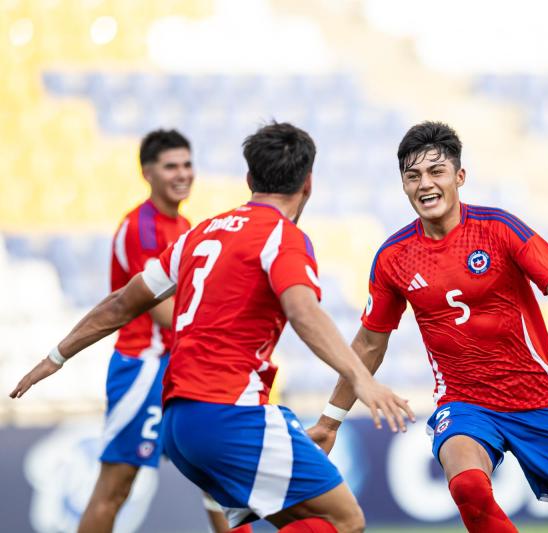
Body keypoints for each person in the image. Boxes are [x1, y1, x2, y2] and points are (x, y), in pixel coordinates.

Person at [11, 122, 414, 533]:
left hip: (179, 420)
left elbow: (121, 302)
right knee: (345, 519)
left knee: (295, 520)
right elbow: (303, 311)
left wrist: (56, 356)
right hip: (227, 413)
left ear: (249, 179)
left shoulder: (199, 233)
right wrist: (361, 379)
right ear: (308, 183)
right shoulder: (282, 237)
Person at [307, 121, 548, 533]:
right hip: (464, 404)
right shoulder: (394, 257)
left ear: (460, 177)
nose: (425, 184)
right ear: (403, 185)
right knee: (469, 488)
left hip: (537, 399)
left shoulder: (499, 229)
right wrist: (331, 420)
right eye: (413, 175)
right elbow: (370, 343)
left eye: (436, 171)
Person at [75, 128, 242, 533]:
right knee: (115, 489)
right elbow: (161, 309)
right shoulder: (141, 228)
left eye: (187, 164)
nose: (183, 174)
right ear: (148, 173)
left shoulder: (183, 224)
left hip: (179, 364)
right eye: (171, 166)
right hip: (144, 367)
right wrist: (221, 337)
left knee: (217, 476)